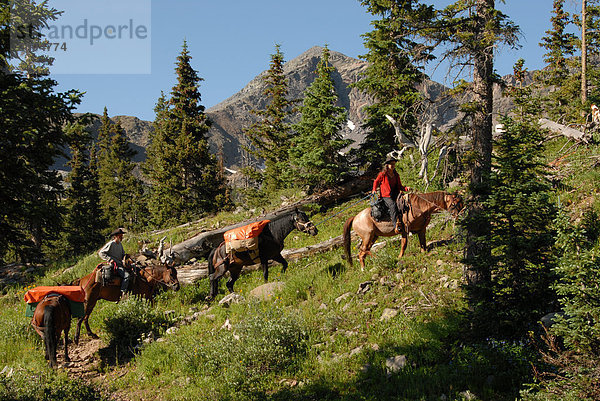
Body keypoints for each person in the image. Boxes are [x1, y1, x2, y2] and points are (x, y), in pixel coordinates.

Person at [372, 158, 411, 234]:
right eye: (391, 164)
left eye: (394, 164)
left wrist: (406, 188)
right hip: (386, 195)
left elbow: (400, 186)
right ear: (387, 165)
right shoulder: (383, 174)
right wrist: (374, 190)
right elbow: (376, 181)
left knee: (405, 202)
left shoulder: (396, 175)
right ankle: (395, 225)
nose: (393, 165)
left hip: (395, 193)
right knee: (393, 205)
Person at [98, 228, 130, 298]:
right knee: (126, 276)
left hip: (121, 264)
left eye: (122, 236)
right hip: (115, 265)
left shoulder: (120, 244)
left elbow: (122, 254)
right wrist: (109, 259)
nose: (122, 237)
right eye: (120, 236)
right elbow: (101, 253)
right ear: (116, 236)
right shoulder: (111, 244)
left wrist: (126, 256)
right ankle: (123, 293)